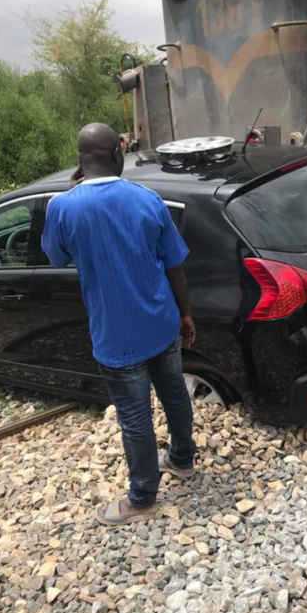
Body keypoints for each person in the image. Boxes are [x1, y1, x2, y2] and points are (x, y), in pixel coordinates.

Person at [42, 123, 198, 526]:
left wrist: (71, 191)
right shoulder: (147, 199)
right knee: (175, 394)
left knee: (135, 418)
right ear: (118, 154)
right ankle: (182, 459)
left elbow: (55, 257)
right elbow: (174, 264)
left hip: (116, 336)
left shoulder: (63, 206)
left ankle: (143, 498)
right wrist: (184, 313)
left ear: (80, 161)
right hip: (161, 323)